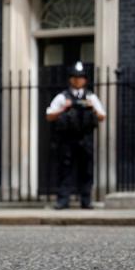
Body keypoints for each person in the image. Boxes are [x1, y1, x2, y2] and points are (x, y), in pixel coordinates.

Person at [45, 61, 106, 209]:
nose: (78, 80)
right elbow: (49, 115)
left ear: (85, 80)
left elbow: (102, 116)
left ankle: (86, 200)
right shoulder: (62, 97)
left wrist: (93, 108)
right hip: (67, 139)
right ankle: (63, 200)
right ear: (70, 79)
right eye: (75, 77)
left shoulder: (91, 97)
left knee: (86, 170)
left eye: (81, 77)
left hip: (85, 138)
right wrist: (63, 108)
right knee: (65, 169)